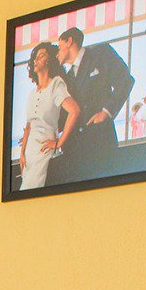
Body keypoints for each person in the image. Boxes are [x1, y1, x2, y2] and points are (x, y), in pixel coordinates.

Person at [49, 27, 135, 185]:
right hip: (74, 152)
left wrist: (106, 112)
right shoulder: (66, 77)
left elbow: (125, 80)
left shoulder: (100, 54)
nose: (57, 53)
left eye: (59, 46)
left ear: (69, 41)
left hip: (100, 143)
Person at [17, 42, 80, 190]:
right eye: (35, 57)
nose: (36, 60)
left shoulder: (56, 85)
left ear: (49, 60)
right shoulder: (32, 94)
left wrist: (59, 142)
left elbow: (74, 110)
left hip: (44, 153)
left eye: (41, 56)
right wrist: (22, 153)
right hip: (29, 155)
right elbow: (29, 126)